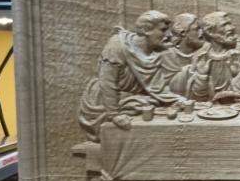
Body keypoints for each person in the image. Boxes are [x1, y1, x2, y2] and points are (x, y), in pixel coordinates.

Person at [78, 10, 183, 141]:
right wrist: (114, 115)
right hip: (106, 102)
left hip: (133, 100)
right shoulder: (117, 45)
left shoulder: (154, 52)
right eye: (163, 30)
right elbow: (107, 82)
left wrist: (176, 100)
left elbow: (156, 87)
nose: (168, 35)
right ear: (146, 30)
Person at [187, 11, 240, 102]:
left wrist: (236, 75)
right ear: (210, 32)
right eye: (224, 25)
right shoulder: (200, 57)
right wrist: (202, 76)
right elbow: (196, 98)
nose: (232, 28)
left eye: (230, 24)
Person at [160, 12, 204, 96]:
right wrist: (192, 67)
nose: (201, 33)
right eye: (197, 29)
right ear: (183, 32)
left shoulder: (204, 53)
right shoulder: (167, 55)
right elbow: (166, 89)